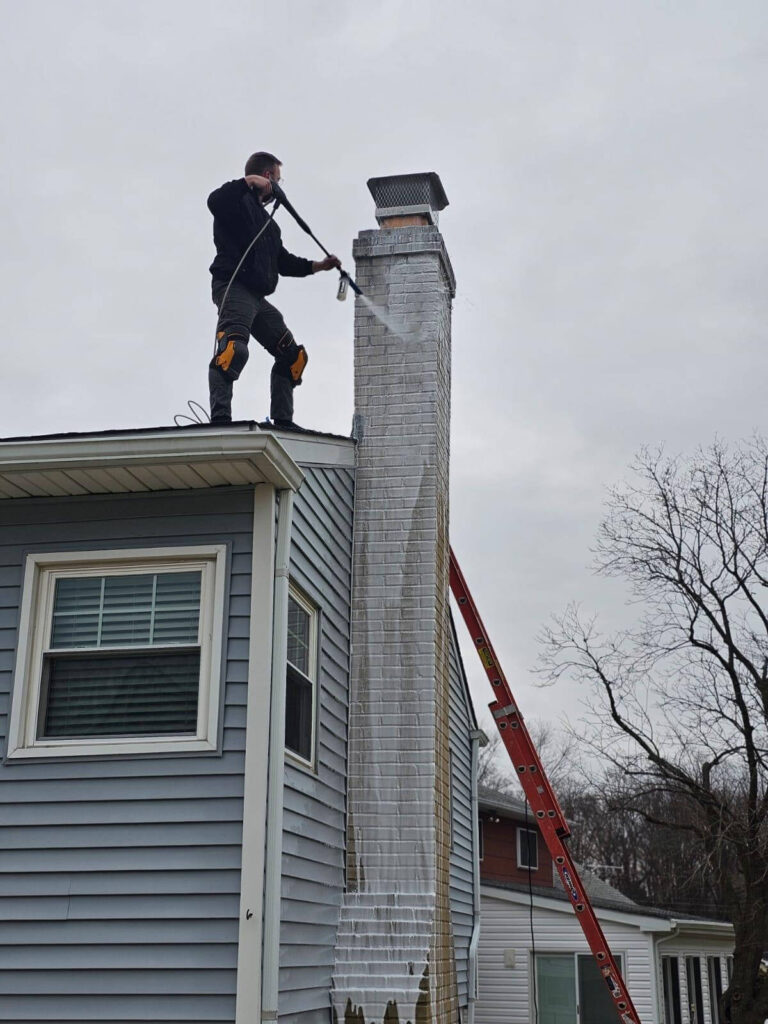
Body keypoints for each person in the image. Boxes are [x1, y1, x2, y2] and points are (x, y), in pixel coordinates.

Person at [207, 151, 340, 427]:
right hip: (234, 288)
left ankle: (283, 421)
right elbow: (214, 201)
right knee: (234, 350)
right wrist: (249, 181)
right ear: (268, 178)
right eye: (278, 180)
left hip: (258, 298)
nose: (279, 188)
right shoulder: (236, 202)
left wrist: (320, 266)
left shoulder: (270, 226)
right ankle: (220, 421)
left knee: (293, 357)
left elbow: (283, 262)